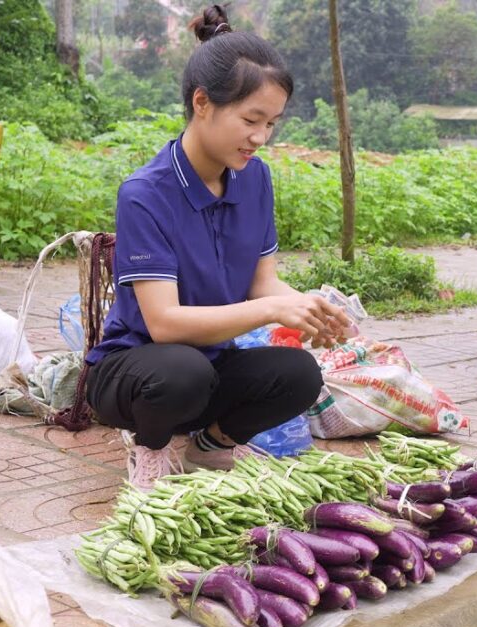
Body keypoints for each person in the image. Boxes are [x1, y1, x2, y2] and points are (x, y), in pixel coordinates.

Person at [84, 5, 350, 490]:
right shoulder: (145, 194)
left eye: (272, 123)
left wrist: (312, 309)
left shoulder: (255, 179)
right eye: (251, 119)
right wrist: (272, 309)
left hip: (209, 366)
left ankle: (212, 446)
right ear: (202, 103)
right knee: (181, 371)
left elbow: (262, 283)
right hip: (138, 371)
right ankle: (151, 448)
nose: (261, 138)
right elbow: (164, 325)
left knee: (299, 373)